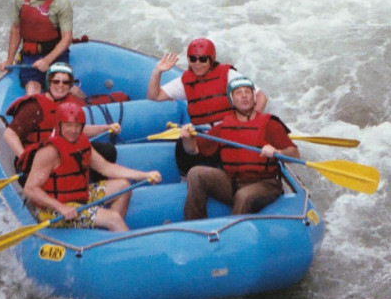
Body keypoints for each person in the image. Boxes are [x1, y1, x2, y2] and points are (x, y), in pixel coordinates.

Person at [19, 102, 161, 232]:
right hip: (51, 209)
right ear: (59, 125)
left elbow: (106, 168)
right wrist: (60, 207)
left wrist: (144, 175)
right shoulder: (49, 152)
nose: (73, 131)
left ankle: (110, 236)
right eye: (68, 125)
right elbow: (30, 189)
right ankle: (121, 239)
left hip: (80, 197)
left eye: (77, 126)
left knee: (123, 186)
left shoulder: (81, 142)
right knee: (114, 218)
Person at [179, 76, 298, 220]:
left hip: (265, 184)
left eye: (248, 92)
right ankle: (195, 224)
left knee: (244, 196)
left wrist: (278, 152)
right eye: (238, 93)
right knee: (196, 173)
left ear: (254, 98)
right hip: (232, 182)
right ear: (232, 100)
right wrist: (188, 138)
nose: (244, 96)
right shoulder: (223, 127)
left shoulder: (270, 124)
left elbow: (295, 154)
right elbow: (193, 150)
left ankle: (233, 237)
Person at [146, 38, 268, 175]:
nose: (197, 64)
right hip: (204, 135)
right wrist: (158, 71)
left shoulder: (228, 75)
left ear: (212, 59)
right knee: (183, 147)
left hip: (229, 133)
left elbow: (261, 97)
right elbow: (154, 96)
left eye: (203, 59)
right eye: (193, 59)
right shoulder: (185, 81)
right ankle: (192, 176)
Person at [3, 62, 119, 180]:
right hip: (36, 158)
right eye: (56, 81)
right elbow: (10, 134)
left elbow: (79, 130)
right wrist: (24, 158)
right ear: (49, 83)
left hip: (62, 152)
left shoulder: (70, 104)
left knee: (107, 151)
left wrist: (105, 128)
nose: (61, 85)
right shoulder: (34, 107)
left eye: (65, 82)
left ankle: (92, 185)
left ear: (70, 86)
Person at [0, 0, 79, 96]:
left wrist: (47, 60)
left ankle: (87, 106)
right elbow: (16, 29)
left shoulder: (62, 3)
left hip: (56, 55)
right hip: (30, 56)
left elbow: (66, 38)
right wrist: (9, 60)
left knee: (67, 89)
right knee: (32, 90)